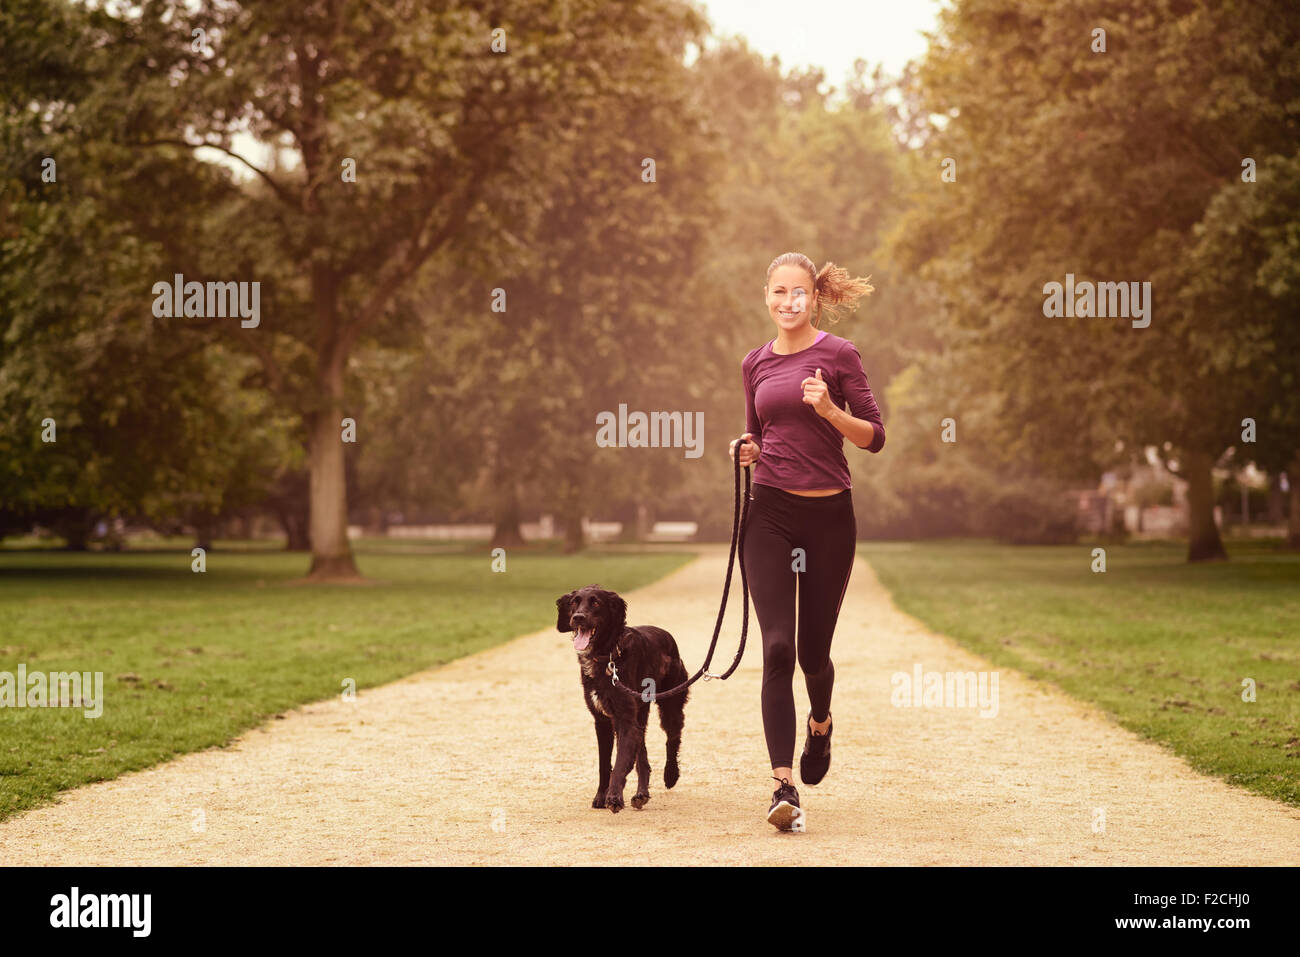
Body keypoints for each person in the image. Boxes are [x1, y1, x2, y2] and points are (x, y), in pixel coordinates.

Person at [729, 252, 885, 831]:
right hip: (768, 514)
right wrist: (746, 451)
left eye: (798, 292)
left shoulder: (839, 355)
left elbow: (875, 437)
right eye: (778, 292)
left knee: (814, 655)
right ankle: (782, 785)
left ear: (813, 297)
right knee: (778, 649)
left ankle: (821, 722)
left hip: (828, 521)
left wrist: (829, 410)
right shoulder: (755, 363)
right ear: (766, 296)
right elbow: (757, 431)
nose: (788, 302)